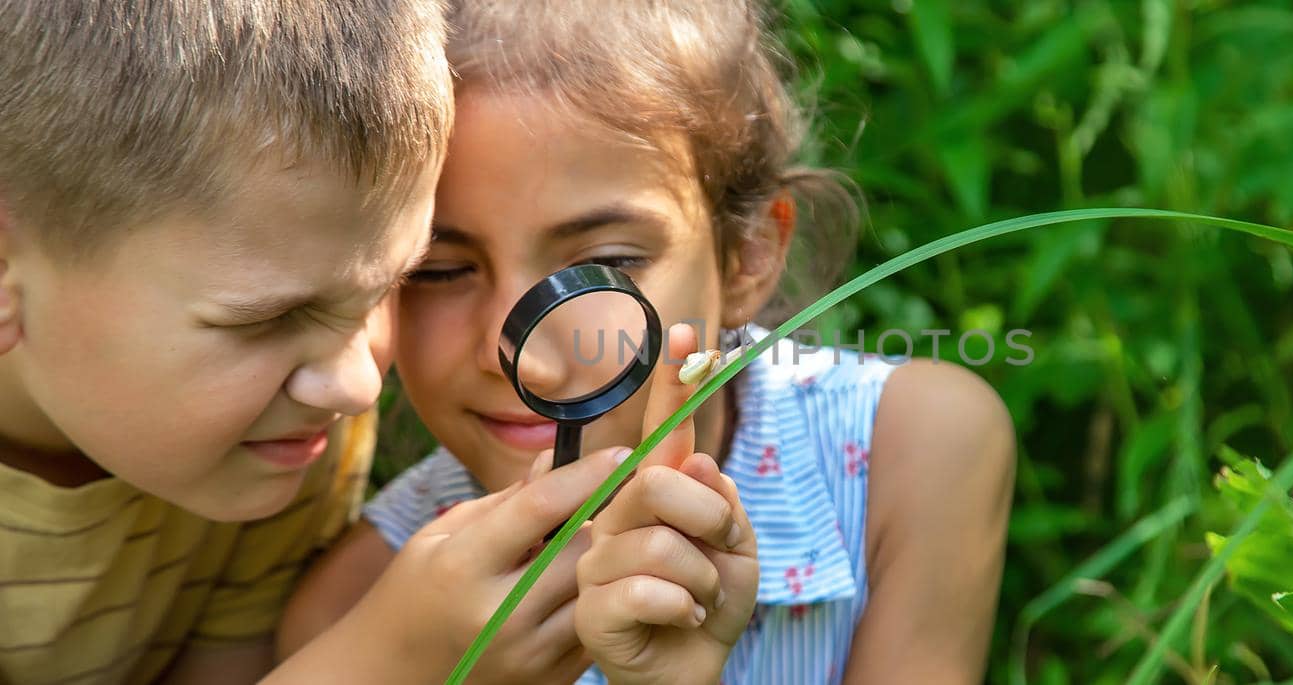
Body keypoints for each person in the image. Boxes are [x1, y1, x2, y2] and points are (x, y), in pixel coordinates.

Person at [282, 1, 1016, 682]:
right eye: (439, 270)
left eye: (605, 264)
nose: (522, 358)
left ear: (748, 257)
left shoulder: (910, 449)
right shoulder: (358, 618)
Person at [0, 2, 635, 683]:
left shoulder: (275, 440)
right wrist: (387, 661)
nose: (358, 386)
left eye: (397, 284)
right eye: (268, 319)